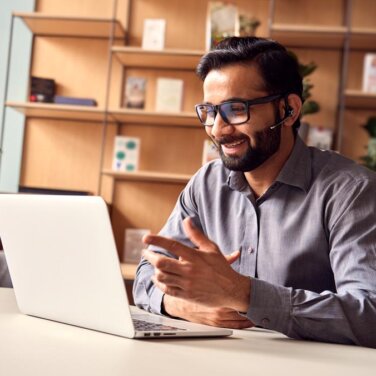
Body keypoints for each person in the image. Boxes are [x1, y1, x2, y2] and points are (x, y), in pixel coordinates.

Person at [133, 37, 376, 348]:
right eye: (210, 111)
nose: (219, 129)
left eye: (237, 109)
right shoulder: (206, 184)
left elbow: (369, 314)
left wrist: (244, 295)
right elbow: (146, 276)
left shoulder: (351, 192)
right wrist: (183, 305)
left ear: (289, 110)